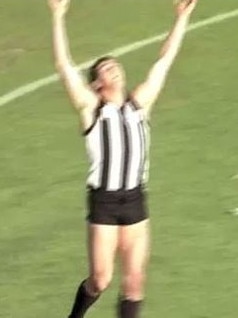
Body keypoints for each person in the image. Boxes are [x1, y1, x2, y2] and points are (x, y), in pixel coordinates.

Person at [47, 0, 198, 317]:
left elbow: (164, 60)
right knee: (100, 280)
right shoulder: (92, 109)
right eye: (106, 68)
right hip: (104, 200)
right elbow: (64, 66)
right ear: (97, 84)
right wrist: (57, 16)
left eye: (116, 65)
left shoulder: (139, 104)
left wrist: (181, 18)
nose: (115, 69)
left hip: (135, 199)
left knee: (134, 283)